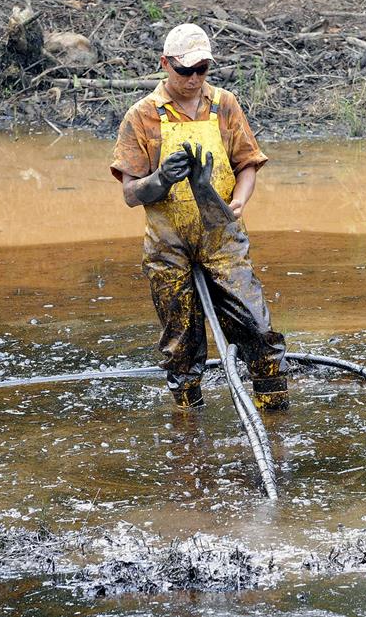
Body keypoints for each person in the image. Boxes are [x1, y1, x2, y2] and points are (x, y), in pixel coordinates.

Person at [109, 23, 287, 412]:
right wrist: (160, 179)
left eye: (201, 70)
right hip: (168, 245)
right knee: (182, 346)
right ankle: (189, 430)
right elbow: (129, 194)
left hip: (222, 235)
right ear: (165, 65)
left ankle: (274, 416)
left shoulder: (224, 104)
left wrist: (239, 201)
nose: (193, 79)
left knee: (258, 328)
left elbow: (247, 164)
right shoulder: (142, 116)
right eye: (184, 70)